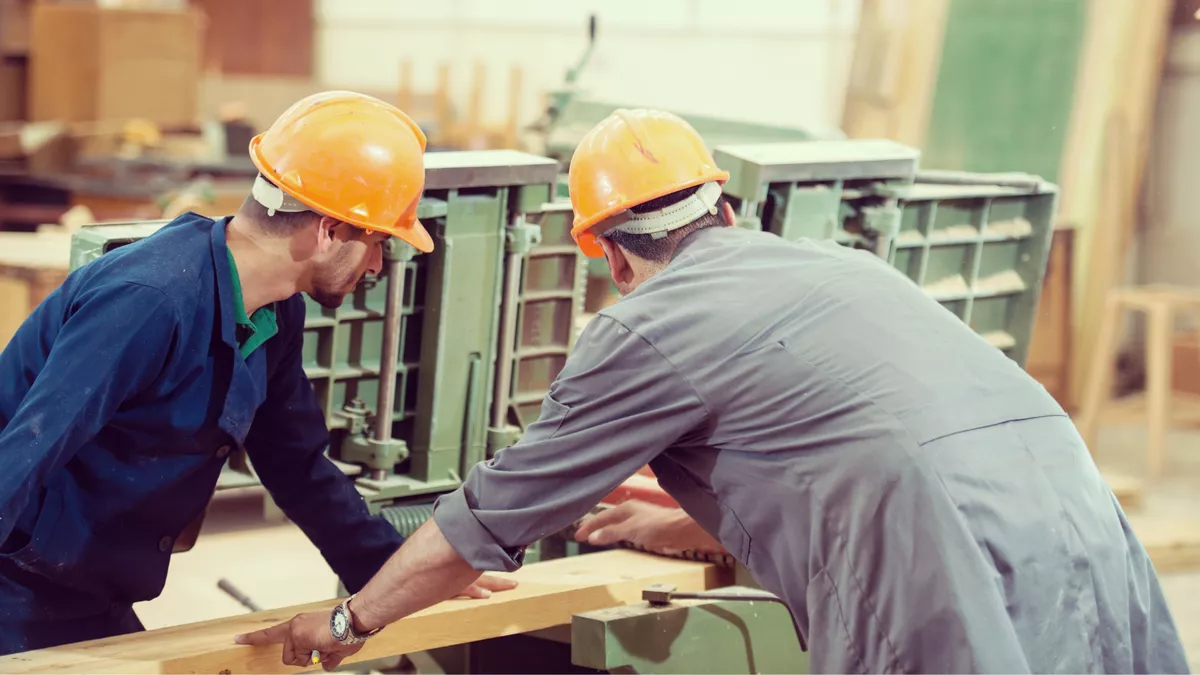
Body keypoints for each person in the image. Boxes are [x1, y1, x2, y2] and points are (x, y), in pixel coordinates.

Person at [237, 108, 1188, 673]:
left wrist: (352, 617)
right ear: (724, 208)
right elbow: (843, 448)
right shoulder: (844, 268)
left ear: (608, 256)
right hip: (1077, 515)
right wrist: (679, 524)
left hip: (934, 557)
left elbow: (491, 515)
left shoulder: (646, 326)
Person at [0, 91, 515, 656]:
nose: (375, 266)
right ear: (329, 230)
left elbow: (295, 464)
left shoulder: (273, 309)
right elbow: (24, 450)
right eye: (378, 243)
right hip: (16, 588)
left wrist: (401, 574)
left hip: (85, 590)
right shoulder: (150, 299)